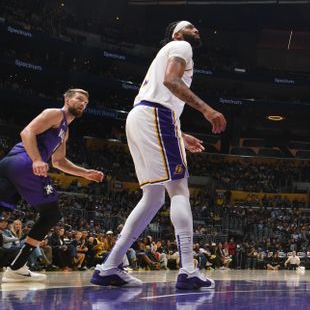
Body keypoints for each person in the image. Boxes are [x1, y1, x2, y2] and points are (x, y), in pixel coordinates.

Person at [92, 21, 226, 290]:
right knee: (179, 190)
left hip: (142, 117)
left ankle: (109, 267)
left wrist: (179, 132)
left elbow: (160, 95)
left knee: (153, 197)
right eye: (191, 27)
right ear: (177, 33)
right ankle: (188, 269)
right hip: (156, 116)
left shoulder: (166, 51)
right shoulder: (181, 45)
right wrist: (207, 110)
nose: (197, 29)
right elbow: (170, 81)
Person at [0, 88, 104, 282]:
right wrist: (37, 160)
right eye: (79, 99)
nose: (83, 104)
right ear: (66, 99)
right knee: (51, 214)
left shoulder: (65, 130)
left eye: (86, 103)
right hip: (24, 162)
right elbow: (27, 131)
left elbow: (59, 162)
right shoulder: (55, 113)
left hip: (10, 165)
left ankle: (17, 268)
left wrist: (85, 173)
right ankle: (16, 267)